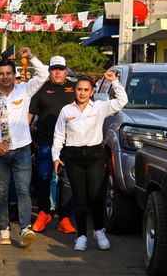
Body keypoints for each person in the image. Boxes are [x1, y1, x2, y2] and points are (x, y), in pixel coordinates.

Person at [52, 72, 128, 252]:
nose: (82, 93)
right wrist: (56, 157)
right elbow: (58, 136)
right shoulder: (66, 110)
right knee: (79, 198)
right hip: (73, 157)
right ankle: (81, 236)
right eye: (79, 89)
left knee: (97, 196)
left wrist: (114, 81)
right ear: (75, 91)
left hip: (95, 155)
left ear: (92, 92)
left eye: (86, 90)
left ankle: (99, 231)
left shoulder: (100, 107)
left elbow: (122, 100)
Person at [0, 49, 48, 248]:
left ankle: (25, 228)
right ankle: (3, 228)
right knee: (1, 191)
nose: (5, 77)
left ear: (14, 74)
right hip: (0, 151)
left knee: (23, 190)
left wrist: (32, 56)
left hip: (22, 149)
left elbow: (43, 74)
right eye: (1, 74)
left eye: (9, 73)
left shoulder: (25, 90)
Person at [29, 56, 76, 234]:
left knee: (67, 181)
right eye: (54, 69)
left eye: (61, 69)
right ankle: (44, 212)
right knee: (43, 176)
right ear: (49, 71)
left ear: (66, 71)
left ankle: (64, 218)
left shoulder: (74, 89)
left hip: (70, 142)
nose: (57, 72)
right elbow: (30, 115)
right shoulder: (41, 89)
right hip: (46, 141)